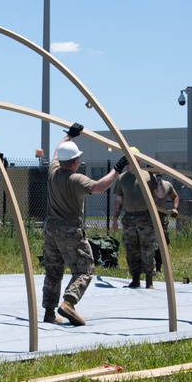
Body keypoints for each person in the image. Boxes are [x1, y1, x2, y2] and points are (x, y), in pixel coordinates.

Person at [40, 123, 122, 326]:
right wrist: (117, 169)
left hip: (50, 229)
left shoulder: (53, 171)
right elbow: (99, 187)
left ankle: (49, 312)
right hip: (69, 230)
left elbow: (57, 151)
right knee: (85, 269)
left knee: (53, 269)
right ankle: (69, 302)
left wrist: (69, 135)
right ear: (75, 161)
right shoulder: (76, 179)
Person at [112, 149, 166, 289]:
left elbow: (160, 194)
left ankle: (149, 281)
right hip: (129, 218)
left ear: (138, 160)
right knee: (131, 250)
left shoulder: (148, 176)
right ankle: (135, 279)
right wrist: (115, 219)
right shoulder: (122, 178)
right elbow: (118, 200)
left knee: (148, 249)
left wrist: (159, 177)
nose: (129, 162)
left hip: (146, 217)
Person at [152, 172, 179, 274]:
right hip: (146, 219)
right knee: (148, 243)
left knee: (161, 244)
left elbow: (175, 196)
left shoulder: (167, 185)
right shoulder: (144, 184)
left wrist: (175, 208)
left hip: (161, 219)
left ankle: (158, 267)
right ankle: (149, 268)